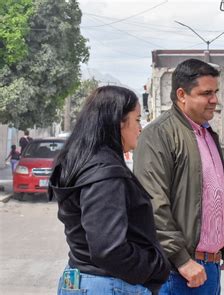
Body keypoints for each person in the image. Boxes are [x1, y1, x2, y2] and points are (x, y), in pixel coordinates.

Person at [49, 86, 170, 294]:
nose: (140, 128)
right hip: (107, 285)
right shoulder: (104, 172)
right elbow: (109, 249)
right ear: (118, 123)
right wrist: (156, 267)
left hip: (85, 281)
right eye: (137, 119)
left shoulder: (84, 162)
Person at [134, 59, 224, 295]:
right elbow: (152, 204)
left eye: (216, 92)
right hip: (178, 273)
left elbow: (213, 195)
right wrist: (181, 260)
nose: (214, 100)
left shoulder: (207, 134)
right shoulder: (158, 135)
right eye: (206, 93)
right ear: (182, 94)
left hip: (209, 268)